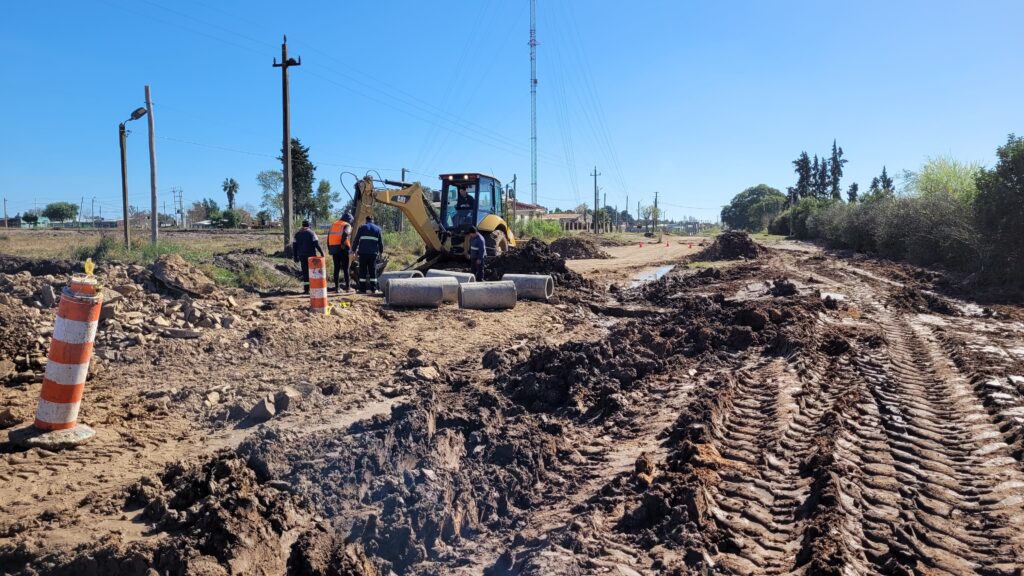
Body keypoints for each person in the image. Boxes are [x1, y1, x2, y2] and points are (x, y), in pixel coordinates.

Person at [353, 215, 384, 293]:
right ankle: (373, 288)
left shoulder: (362, 227)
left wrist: (354, 250)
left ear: (366, 221)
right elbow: (380, 243)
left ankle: (362, 289)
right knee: (372, 270)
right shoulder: (377, 229)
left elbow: (356, 240)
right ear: (373, 220)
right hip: (373, 254)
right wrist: (381, 252)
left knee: (362, 270)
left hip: (363, 253)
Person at [292, 220, 324, 294]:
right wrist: (322, 253)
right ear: (309, 226)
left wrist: (295, 256)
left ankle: (306, 289)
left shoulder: (297, 234)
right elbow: (316, 244)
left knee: (305, 273)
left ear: (302, 225)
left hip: (302, 256)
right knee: (314, 273)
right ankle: (314, 288)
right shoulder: (311, 233)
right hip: (311, 257)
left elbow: (294, 246)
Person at [326, 212, 354, 292]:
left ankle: (337, 288)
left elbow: (329, 237)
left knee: (336, 268)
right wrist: (342, 243)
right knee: (345, 268)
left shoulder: (333, 224)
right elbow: (345, 234)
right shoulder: (347, 225)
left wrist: (329, 248)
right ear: (349, 219)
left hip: (334, 249)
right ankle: (348, 287)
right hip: (343, 248)